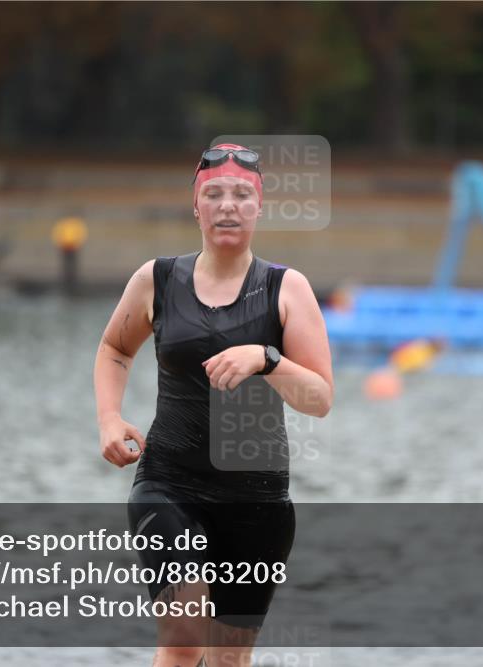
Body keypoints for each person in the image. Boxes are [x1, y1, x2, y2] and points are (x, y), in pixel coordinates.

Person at [93, 143, 334, 667]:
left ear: (259, 207)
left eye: (242, 195)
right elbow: (114, 349)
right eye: (215, 194)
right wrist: (110, 418)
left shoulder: (286, 289)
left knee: (228, 657)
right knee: (183, 638)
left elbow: (319, 399)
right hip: (169, 483)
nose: (228, 205)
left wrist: (267, 359)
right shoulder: (156, 279)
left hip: (257, 498)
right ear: (196, 207)